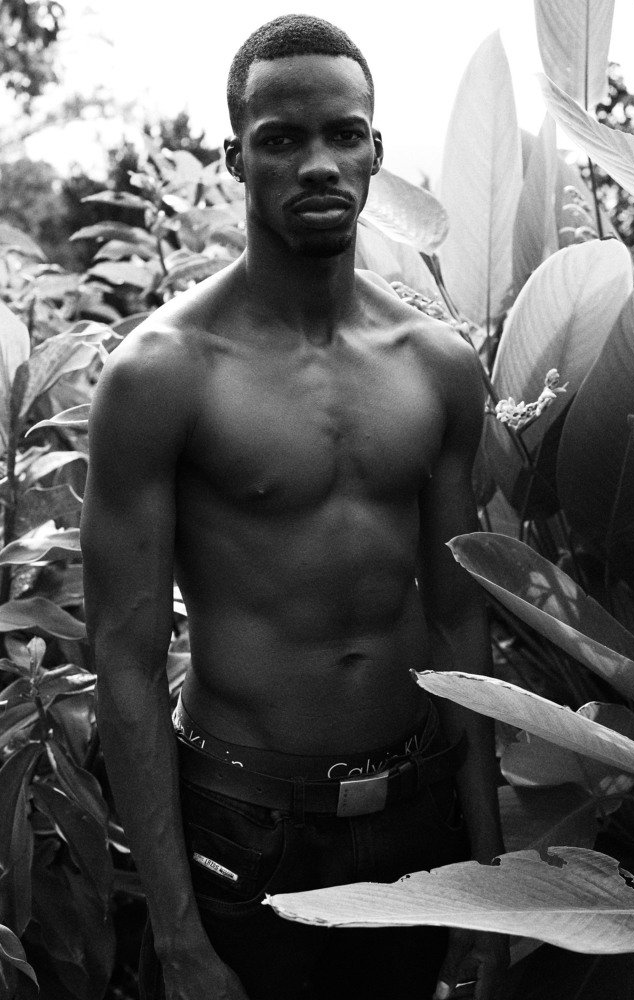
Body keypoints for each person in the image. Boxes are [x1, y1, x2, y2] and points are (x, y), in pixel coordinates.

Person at [81, 14, 508, 1000]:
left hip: (417, 827)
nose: (318, 163)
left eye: (342, 134)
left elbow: (460, 621)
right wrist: (179, 939)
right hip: (243, 832)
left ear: (375, 151)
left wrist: (490, 883)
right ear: (235, 156)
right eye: (281, 139)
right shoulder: (162, 373)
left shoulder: (438, 367)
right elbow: (126, 658)